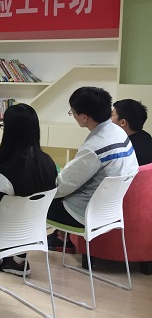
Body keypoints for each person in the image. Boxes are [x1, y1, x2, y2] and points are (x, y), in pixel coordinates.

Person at [47, 87, 139, 253]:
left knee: (31, 202)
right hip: (111, 212)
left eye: (72, 112)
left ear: (84, 117)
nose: (73, 115)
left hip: (83, 214)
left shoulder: (94, 148)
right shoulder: (118, 132)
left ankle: (17, 259)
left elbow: (61, 187)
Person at [0, 104, 57, 275]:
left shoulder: (4, 174)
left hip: (4, 233)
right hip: (33, 231)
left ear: (10, 132)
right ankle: (18, 260)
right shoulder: (49, 163)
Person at [111, 99, 152, 166]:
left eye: (112, 115)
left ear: (122, 122)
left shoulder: (124, 152)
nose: (108, 119)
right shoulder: (146, 136)